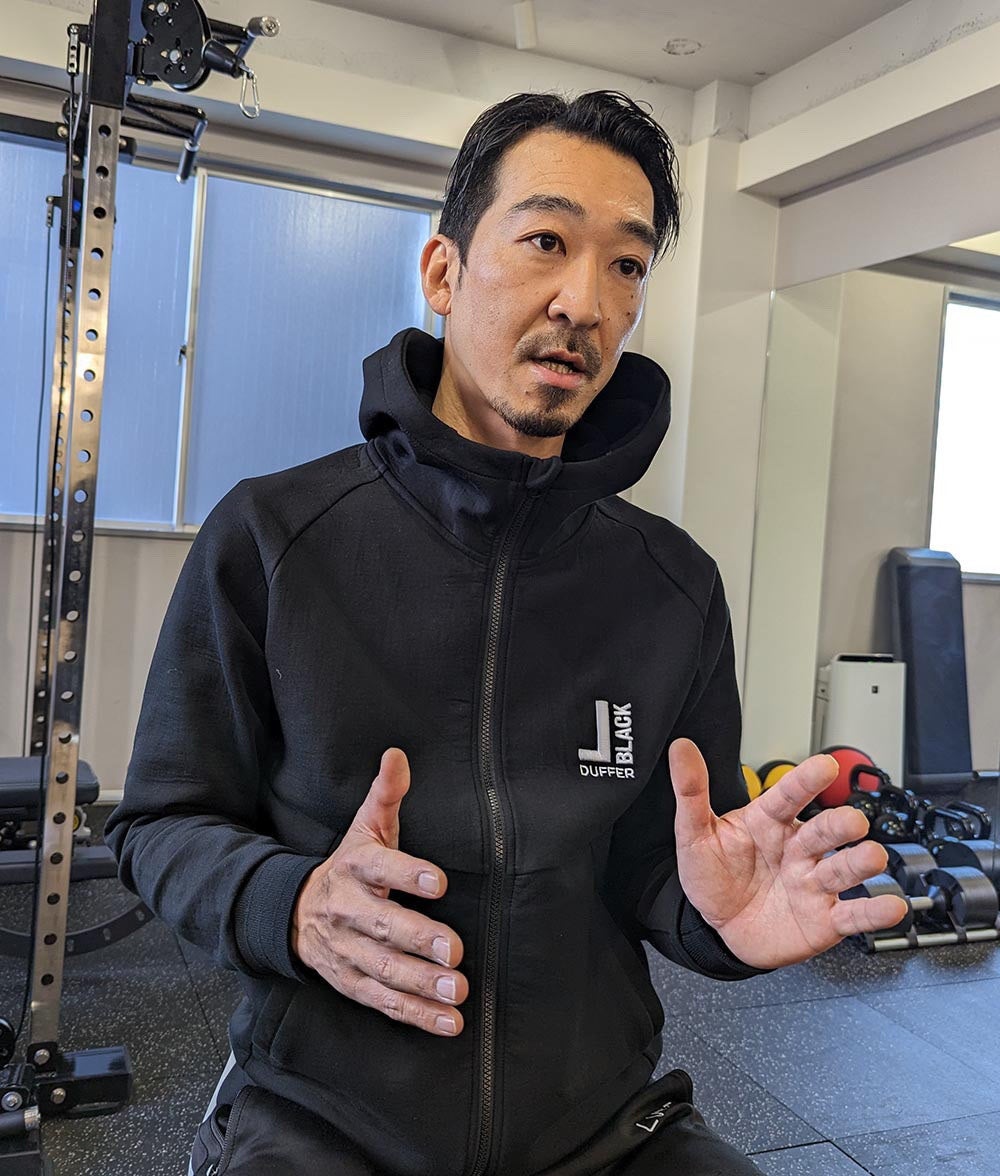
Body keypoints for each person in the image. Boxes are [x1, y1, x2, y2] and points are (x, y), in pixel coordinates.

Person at [105, 90, 905, 1176]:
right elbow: (161, 822)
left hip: (597, 1127)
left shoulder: (671, 585)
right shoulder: (274, 537)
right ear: (443, 272)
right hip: (327, 1121)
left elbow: (659, 865)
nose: (586, 301)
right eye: (546, 242)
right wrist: (293, 905)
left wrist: (720, 921)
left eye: (626, 265)